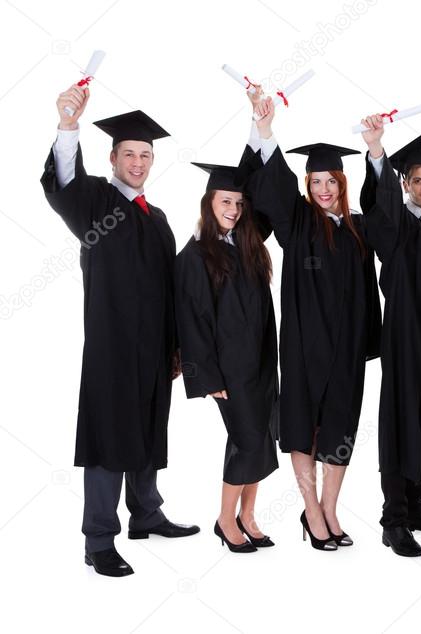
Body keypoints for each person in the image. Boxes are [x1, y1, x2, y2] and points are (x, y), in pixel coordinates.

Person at [42, 86, 197, 577]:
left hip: (153, 350)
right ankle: (99, 539)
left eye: (145, 154)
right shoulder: (94, 203)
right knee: (109, 437)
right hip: (111, 350)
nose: (137, 161)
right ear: (112, 157)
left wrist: (176, 347)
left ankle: (146, 515)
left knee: (149, 428)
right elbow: (63, 181)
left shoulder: (161, 221)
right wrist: (69, 124)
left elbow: (172, 288)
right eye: (129, 153)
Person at [245, 94, 382, 551]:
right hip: (304, 346)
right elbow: (275, 190)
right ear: (307, 184)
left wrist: (376, 149)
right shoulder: (298, 221)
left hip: (346, 348)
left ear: (343, 183)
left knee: (341, 425)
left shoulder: (360, 229)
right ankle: (310, 508)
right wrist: (265, 130)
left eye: (332, 181)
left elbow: (386, 225)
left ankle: (328, 508)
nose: (324, 188)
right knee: (304, 424)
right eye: (316, 180)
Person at [359, 117, 421, 557]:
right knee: (401, 427)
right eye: (417, 180)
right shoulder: (396, 224)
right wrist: (377, 150)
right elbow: (378, 206)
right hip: (404, 344)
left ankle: (417, 506)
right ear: (404, 183)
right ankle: (394, 520)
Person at [175, 161, 279, 553]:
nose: (233, 209)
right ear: (209, 202)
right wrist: (209, 376)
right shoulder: (196, 254)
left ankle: (248, 516)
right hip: (230, 370)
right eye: (225, 201)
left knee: (262, 438)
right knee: (246, 439)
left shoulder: (246, 243)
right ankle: (224, 518)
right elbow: (192, 320)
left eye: (238, 202)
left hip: (262, 364)